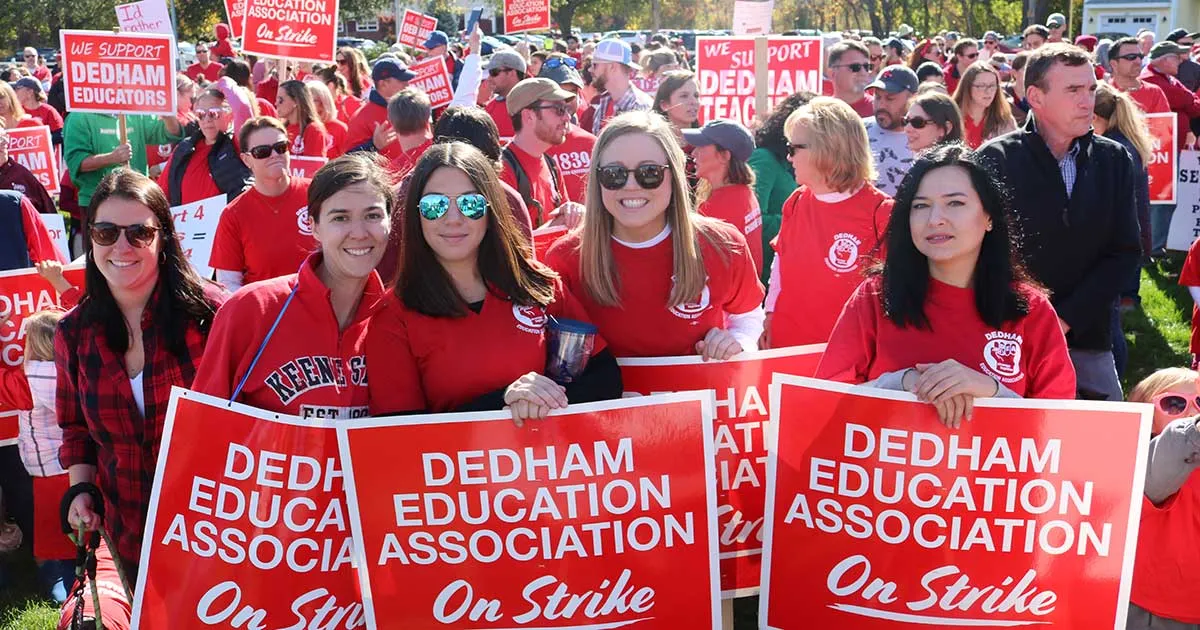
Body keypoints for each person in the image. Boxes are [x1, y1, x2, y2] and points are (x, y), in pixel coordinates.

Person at [817, 144, 1076, 426]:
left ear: (989, 217)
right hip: (885, 468)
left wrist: (990, 390)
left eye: (955, 203)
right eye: (921, 206)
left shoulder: (1031, 309)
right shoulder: (876, 296)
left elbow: (1056, 425)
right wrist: (904, 383)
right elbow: (828, 402)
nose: (935, 219)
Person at [366, 142, 621, 423]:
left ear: (491, 209)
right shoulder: (393, 315)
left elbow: (605, 378)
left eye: (470, 203)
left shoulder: (536, 285)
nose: (453, 218)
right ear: (416, 214)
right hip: (456, 467)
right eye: (434, 205)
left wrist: (541, 400)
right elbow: (399, 434)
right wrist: (504, 401)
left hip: (550, 462)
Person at [58, 168, 223, 583]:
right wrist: (82, 490)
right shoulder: (73, 331)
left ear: (164, 237)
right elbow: (75, 428)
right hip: (129, 532)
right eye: (106, 232)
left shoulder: (212, 317)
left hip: (213, 533)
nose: (122, 246)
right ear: (90, 237)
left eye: (139, 233)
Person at [977, 43, 1141, 401]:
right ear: (1035, 96)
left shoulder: (1113, 159)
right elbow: (977, 252)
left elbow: (1125, 252)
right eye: (1073, 90)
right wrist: (1028, 321)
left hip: (1088, 340)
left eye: (1091, 89)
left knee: (1094, 450)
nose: (1088, 101)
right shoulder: (994, 160)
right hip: (1005, 340)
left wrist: (1065, 319)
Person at [545, 111, 765, 359]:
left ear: (674, 174)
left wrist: (737, 342)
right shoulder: (564, 258)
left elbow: (748, 315)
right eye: (614, 174)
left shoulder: (723, 245)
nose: (631, 186)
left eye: (649, 172)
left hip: (698, 394)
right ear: (597, 178)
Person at [193, 154, 392, 419]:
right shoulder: (251, 310)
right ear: (314, 227)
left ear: (390, 221)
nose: (359, 232)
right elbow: (202, 425)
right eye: (340, 218)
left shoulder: (399, 319)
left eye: (372, 215)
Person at [765, 97, 893, 349]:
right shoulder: (796, 200)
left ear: (827, 149)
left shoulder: (882, 212)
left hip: (847, 357)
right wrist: (770, 314)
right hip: (788, 350)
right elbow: (780, 264)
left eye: (793, 148)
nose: (788, 158)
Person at [0, 300, 76, 603]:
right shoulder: (73, 367)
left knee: (54, 534)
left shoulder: (32, 380)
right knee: (77, 526)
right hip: (76, 462)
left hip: (48, 470)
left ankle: (63, 582)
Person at [1126, 367, 1200, 628]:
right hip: (1146, 608)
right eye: (1174, 404)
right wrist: (1194, 431)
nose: (1192, 412)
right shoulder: (1141, 458)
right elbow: (1166, 460)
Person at [209, 117, 316, 291]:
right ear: (246, 160)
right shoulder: (233, 214)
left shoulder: (316, 194)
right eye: (262, 151)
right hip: (266, 314)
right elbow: (228, 284)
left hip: (319, 306)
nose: (275, 155)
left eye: (281, 147)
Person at [749, 92, 813, 283]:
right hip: (764, 273)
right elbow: (753, 219)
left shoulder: (804, 164)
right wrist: (800, 223)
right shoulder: (764, 159)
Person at [500, 78, 580, 229]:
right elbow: (510, 246)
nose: (567, 117)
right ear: (529, 116)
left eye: (567, 109)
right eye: (558, 109)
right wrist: (559, 223)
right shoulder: (503, 171)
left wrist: (574, 213)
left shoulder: (552, 165)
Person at [687, 118, 763, 274]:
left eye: (701, 146)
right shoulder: (745, 192)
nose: (693, 153)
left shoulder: (716, 208)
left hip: (724, 296)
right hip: (744, 294)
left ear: (724, 156)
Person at [63, 112, 182, 210]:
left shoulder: (136, 111)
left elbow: (170, 134)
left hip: (137, 195)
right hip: (97, 200)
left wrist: (168, 116)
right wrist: (112, 158)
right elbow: (76, 162)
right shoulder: (79, 117)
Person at [156, 88, 251, 206]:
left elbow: (242, 107)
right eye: (201, 114)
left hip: (225, 223)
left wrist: (220, 83)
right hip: (186, 223)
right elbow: (161, 193)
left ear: (230, 115)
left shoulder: (237, 144)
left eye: (213, 113)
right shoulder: (184, 148)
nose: (207, 119)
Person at [540, 58, 598, 204]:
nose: (566, 98)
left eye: (572, 91)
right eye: (559, 91)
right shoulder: (531, 145)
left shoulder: (591, 143)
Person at [343, 59, 415, 160]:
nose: (407, 85)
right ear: (383, 84)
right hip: (383, 174)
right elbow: (348, 161)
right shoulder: (362, 117)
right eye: (402, 80)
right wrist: (373, 146)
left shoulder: (410, 108)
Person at [580, 39, 654, 135]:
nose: (590, 69)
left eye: (595, 65)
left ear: (612, 67)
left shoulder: (640, 108)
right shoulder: (604, 101)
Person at [865, 65, 918, 196]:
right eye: (877, 97)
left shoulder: (925, 136)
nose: (881, 104)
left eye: (890, 98)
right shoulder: (857, 130)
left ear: (912, 98)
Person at [1141, 40, 1200, 147]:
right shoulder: (1151, 79)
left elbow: (1193, 102)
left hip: (1172, 145)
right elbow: (1193, 106)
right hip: (1161, 147)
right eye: (1177, 57)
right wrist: (1188, 103)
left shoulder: (1169, 78)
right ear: (1164, 60)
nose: (1181, 61)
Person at [953, 61, 1017, 148]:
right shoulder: (951, 118)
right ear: (967, 87)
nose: (988, 91)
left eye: (992, 85)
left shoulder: (1005, 121)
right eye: (981, 86)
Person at [0, 126, 56, 216]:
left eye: (5, 138)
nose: (4, 143)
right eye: (0, 139)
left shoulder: (22, 174)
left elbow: (50, 217)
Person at [1108, 37, 1170, 114]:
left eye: (1140, 56)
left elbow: (1163, 125)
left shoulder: (1154, 92)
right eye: (1131, 57)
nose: (1138, 61)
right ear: (1114, 64)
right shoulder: (1103, 93)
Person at [276, 79, 329, 158]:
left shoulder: (314, 130)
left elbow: (314, 166)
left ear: (295, 101)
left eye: (280, 100)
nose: (276, 103)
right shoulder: (281, 129)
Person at [484, 49, 527, 139]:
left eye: (494, 72)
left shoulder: (533, 105)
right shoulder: (490, 107)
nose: (489, 78)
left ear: (512, 73)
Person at [826, 40, 875, 117]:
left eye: (866, 67)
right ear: (832, 73)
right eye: (855, 67)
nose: (863, 72)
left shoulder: (880, 112)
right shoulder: (821, 115)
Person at [11, 77, 62, 146]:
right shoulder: (15, 111)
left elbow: (60, 134)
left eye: (17, 89)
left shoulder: (49, 110)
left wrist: (37, 140)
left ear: (30, 92)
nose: (14, 92)